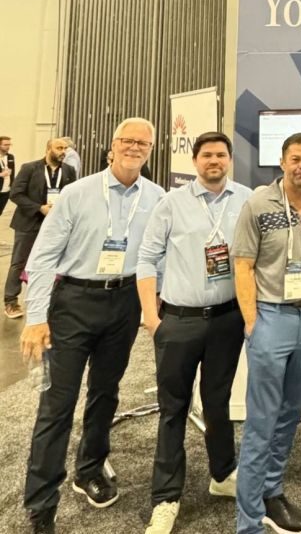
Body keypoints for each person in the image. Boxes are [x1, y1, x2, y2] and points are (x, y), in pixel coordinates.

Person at [19, 118, 165, 534]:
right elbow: (42, 258)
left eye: (143, 143)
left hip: (124, 303)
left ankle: (89, 470)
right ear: (112, 146)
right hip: (74, 303)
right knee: (57, 404)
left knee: (106, 392)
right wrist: (36, 317)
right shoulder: (77, 193)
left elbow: (159, 256)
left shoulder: (157, 198)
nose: (134, 147)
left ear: (150, 150)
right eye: (127, 141)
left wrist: (154, 304)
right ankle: (41, 502)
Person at [137, 131, 252, 534]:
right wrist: (151, 317)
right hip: (179, 320)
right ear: (195, 160)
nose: (214, 161)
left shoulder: (246, 199)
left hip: (226, 319)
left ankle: (222, 474)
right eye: (207, 155)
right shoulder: (171, 203)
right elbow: (146, 258)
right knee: (174, 409)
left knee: (218, 402)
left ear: (230, 159)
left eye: (221, 154)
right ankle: (166, 498)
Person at [232, 132, 301, 534]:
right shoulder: (259, 203)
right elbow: (243, 265)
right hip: (271, 318)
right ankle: (248, 522)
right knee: (262, 421)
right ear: (282, 162)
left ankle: (271, 493)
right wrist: (252, 322)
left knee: (290, 413)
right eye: (296, 159)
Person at [4, 139, 77, 319]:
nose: (63, 151)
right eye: (59, 148)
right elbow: (16, 194)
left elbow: (72, 196)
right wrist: (39, 208)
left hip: (55, 224)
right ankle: (11, 301)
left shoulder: (69, 170)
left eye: (65, 148)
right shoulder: (30, 168)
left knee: (52, 262)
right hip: (29, 222)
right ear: (48, 149)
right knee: (19, 262)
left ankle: (49, 300)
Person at [0, 135, 15, 216]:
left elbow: (12, 172)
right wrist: (1, 174)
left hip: (6, 190)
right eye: (5, 145)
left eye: (9, 144)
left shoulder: (10, 157)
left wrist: (12, 186)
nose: (8, 147)